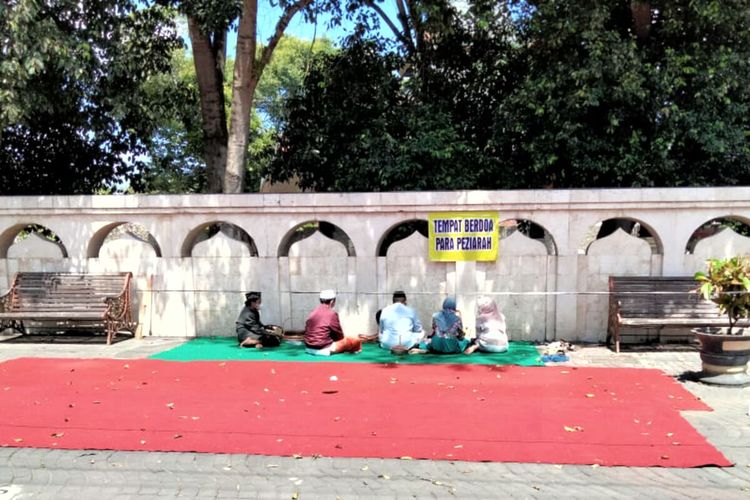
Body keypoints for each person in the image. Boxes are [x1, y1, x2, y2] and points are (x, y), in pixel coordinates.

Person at [304, 289, 362, 356]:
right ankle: (354, 351)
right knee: (355, 339)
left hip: (308, 348)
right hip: (324, 349)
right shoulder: (332, 314)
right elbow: (339, 335)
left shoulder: (312, 312)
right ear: (332, 301)